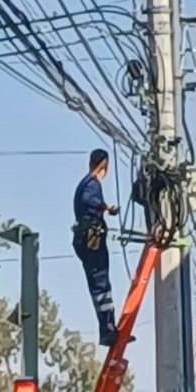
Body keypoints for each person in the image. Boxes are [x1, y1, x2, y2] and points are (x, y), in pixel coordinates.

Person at [72, 148, 122, 346]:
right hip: (92, 240)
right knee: (101, 284)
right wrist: (106, 207)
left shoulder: (83, 183)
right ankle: (108, 329)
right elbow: (88, 199)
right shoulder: (91, 184)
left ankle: (108, 328)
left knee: (99, 285)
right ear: (104, 165)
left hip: (85, 239)